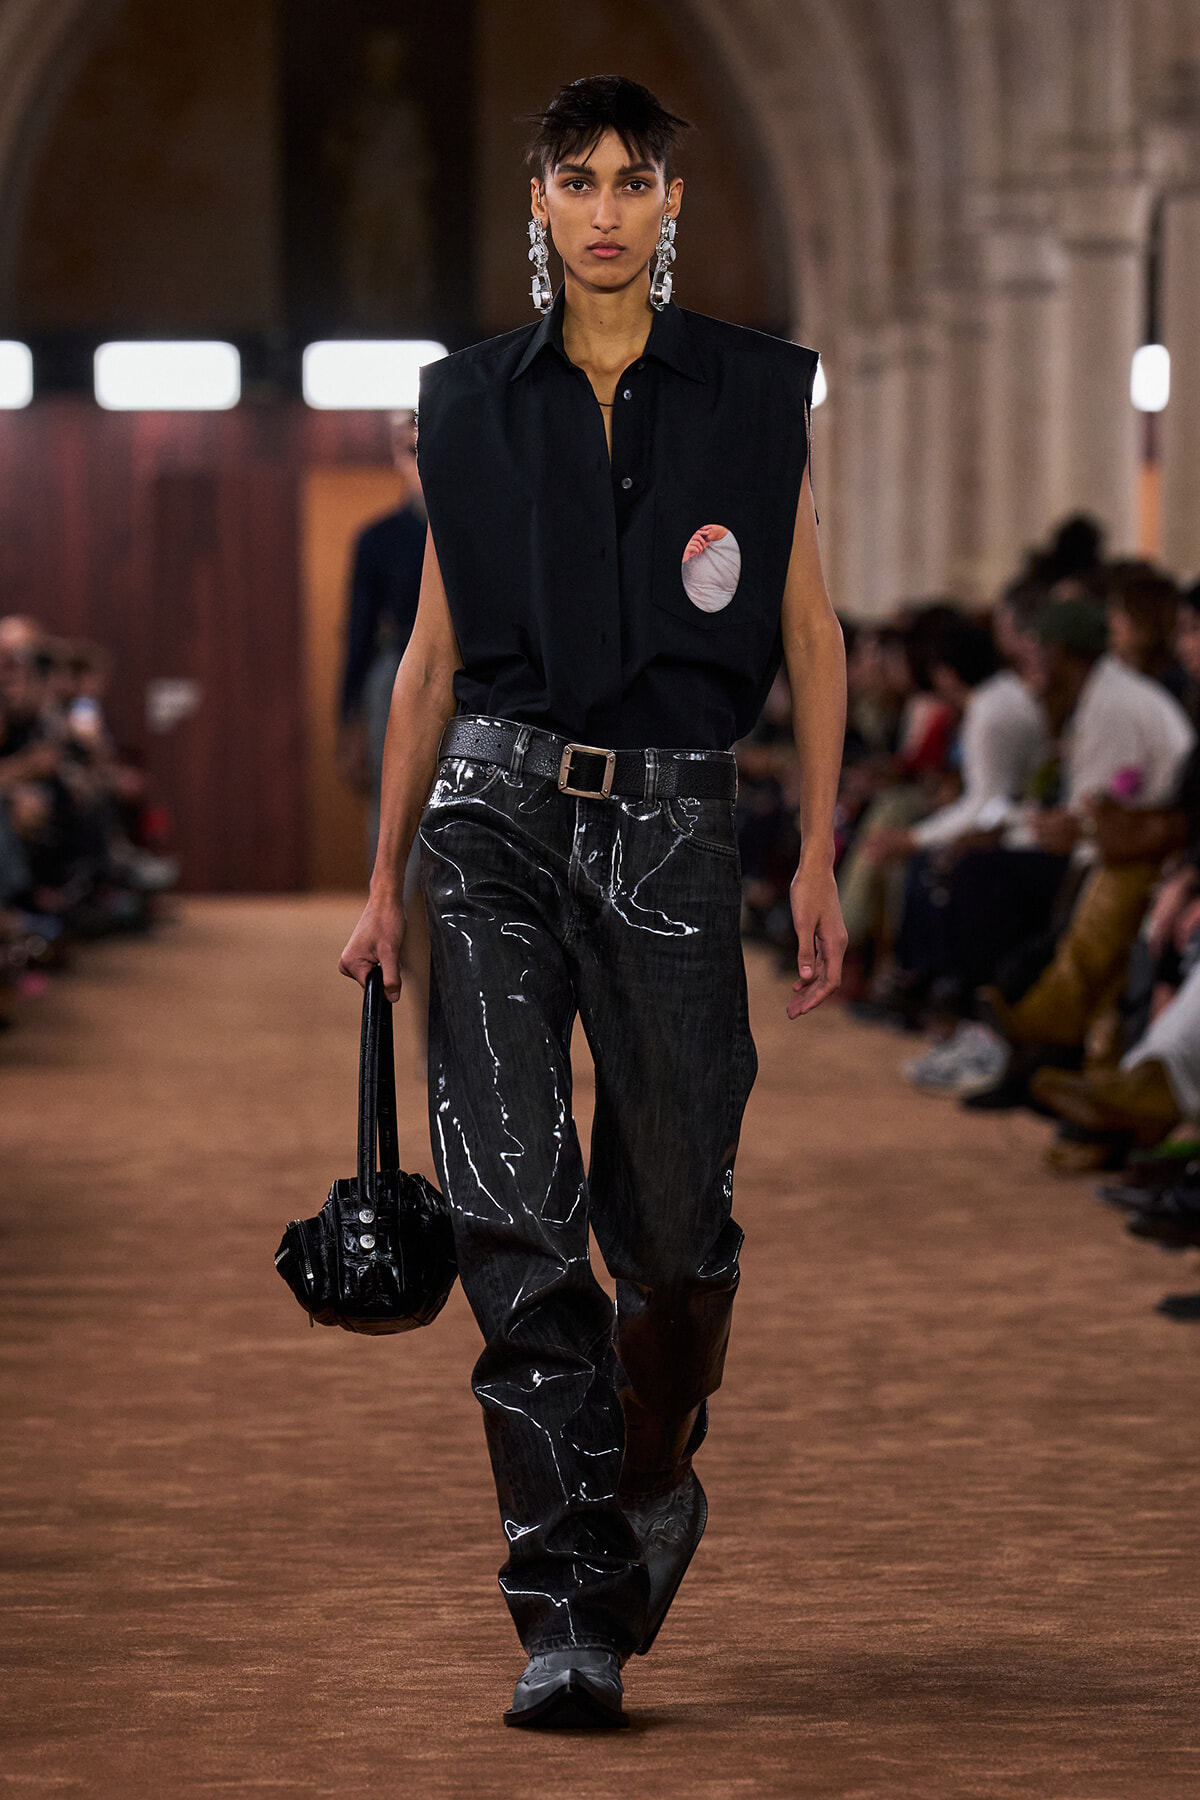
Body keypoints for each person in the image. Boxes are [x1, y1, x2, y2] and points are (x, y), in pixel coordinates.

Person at [338, 74, 847, 1729]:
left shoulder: (758, 400)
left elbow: (813, 635)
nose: (611, 204)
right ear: (539, 205)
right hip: (489, 821)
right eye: (580, 177)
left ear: (671, 204)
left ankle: (655, 1458)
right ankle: (564, 1606)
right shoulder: (470, 405)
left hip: (680, 825)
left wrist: (824, 846)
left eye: (637, 178)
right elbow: (428, 653)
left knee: (678, 1226)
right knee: (510, 1212)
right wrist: (380, 875)